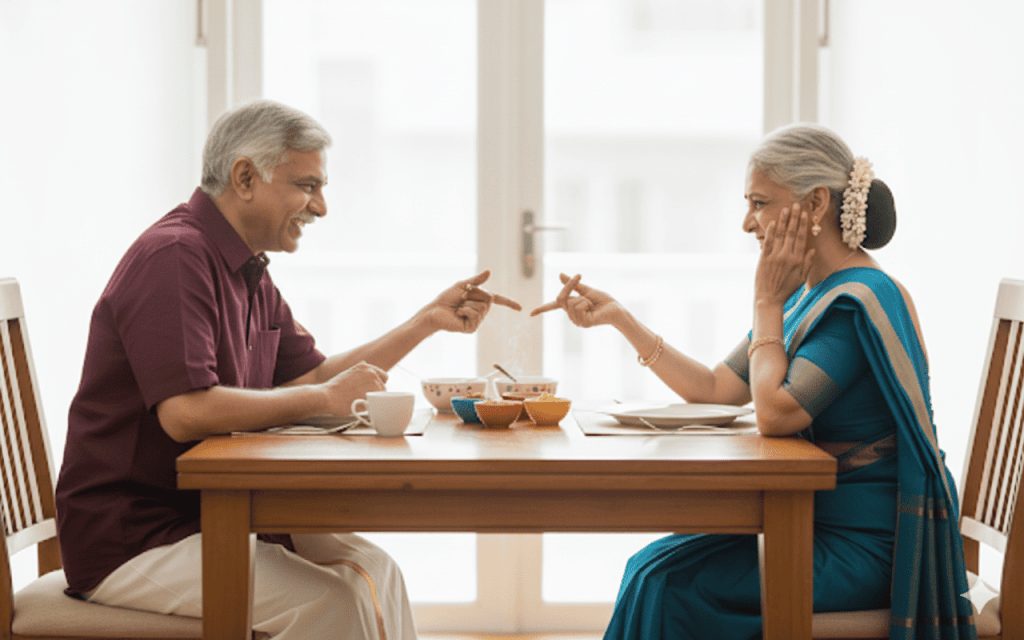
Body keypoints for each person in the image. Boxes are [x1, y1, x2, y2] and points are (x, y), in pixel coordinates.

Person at [55, 99, 521, 640]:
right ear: (245, 177)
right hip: (133, 535)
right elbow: (185, 412)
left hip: (208, 515)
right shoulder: (175, 256)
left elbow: (315, 379)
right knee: (330, 605)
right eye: (307, 186)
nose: (320, 207)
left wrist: (425, 323)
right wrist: (324, 401)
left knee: (380, 574)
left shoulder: (245, 266)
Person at [532, 123, 977, 640]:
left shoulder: (857, 300)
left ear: (814, 205)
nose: (748, 223)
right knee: (649, 568)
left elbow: (776, 413)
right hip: (815, 526)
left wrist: (766, 304)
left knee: (669, 585)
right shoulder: (810, 296)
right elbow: (717, 387)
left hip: (868, 550)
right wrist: (621, 319)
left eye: (760, 203)